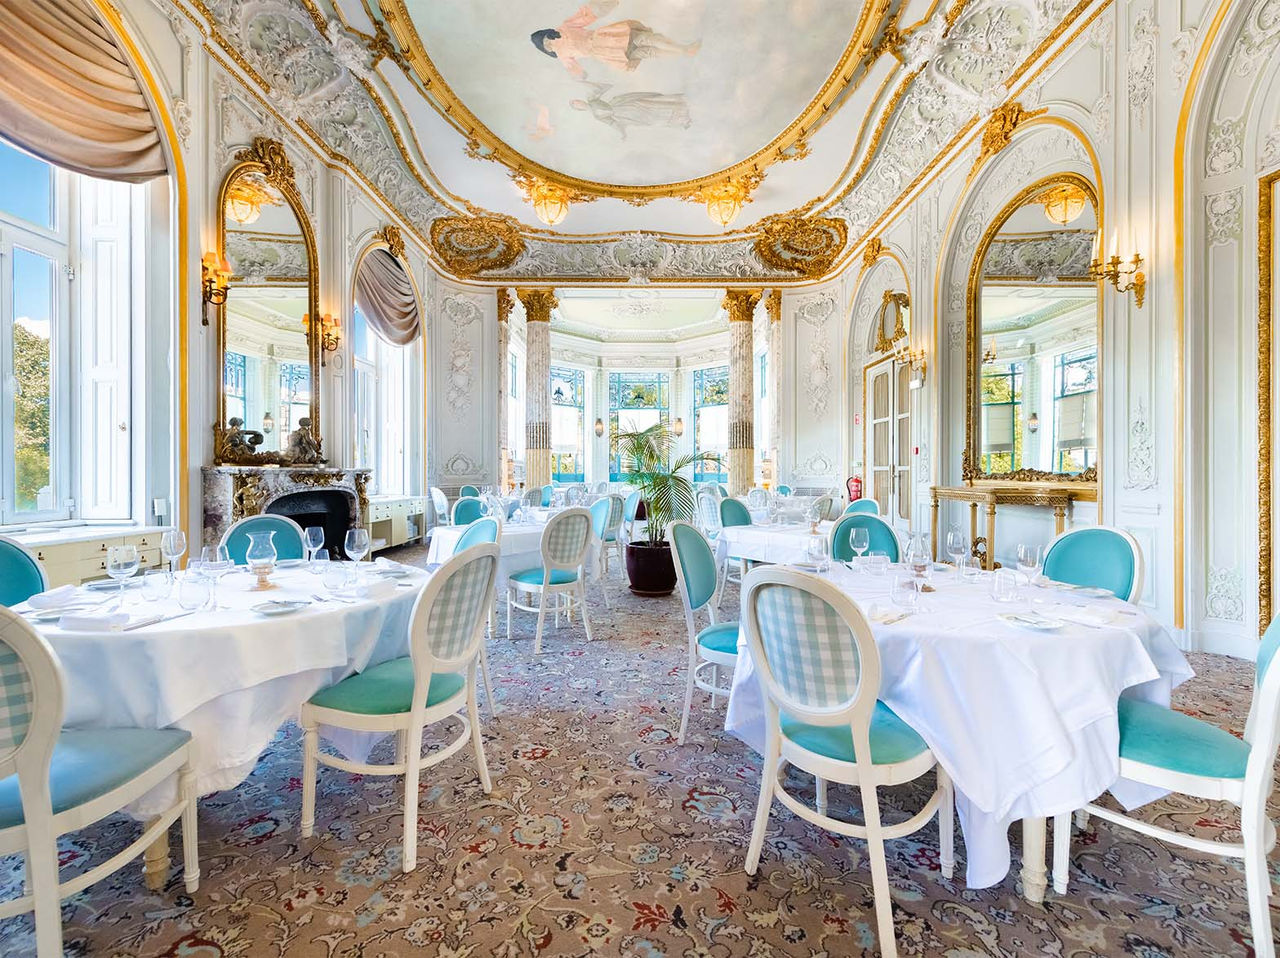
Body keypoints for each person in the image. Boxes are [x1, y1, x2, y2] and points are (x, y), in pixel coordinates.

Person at [530, 1, 700, 80]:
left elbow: (585, 15)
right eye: (545, 44)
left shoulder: (563, 33)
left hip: (606, 44)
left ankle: (684, 51)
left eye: (545, 40)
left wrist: (605, 4)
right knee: (647, 46)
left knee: (647, 43)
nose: (548, 44)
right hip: (605, 47)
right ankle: (684, 51)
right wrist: (581, 76)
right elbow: (574, 69)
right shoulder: (562, 46)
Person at [569, 82, 691, 139]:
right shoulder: (596, 116)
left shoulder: (591, 99)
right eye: (576, 105)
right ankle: (681, 119)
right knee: (650, 118)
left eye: (577, 101)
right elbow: (612, 122)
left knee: (648, 105)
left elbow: (599, 89)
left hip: (623, 106)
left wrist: (585, 82)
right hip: (624, 116)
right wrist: (623, 133)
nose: (579, 103)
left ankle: (679, 104)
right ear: (578, 109)